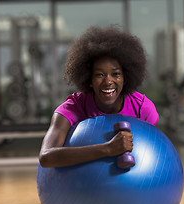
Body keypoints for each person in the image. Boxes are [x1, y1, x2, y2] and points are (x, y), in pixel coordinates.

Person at [39, 26, 159, 168]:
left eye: (116, 74)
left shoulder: (142, 108)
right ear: (89, 79)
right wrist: (107, 149)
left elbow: (154, 154)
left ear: (125, 77)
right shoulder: (73, 107)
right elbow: (46, 157)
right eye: (99, 75)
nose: (108, 81)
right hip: (81, 188)